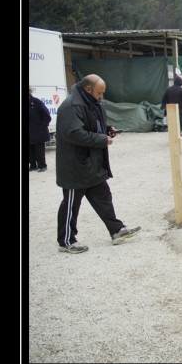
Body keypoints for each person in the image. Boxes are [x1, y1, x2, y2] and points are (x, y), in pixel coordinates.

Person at [55, 74, 141, 254]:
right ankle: (66, 241)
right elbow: (73, 133)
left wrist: (107, 129)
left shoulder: (91, 102)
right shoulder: (72, 106)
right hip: (75, 166)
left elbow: (93, 123)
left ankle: (116, 230)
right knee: (71, 204)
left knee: (104, 196)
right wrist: (101, 139)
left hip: (91, 164)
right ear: (88, 89)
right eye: (100, 93)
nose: (102, 97)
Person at [28, 84, 52, 172]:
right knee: (29, 150)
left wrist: (42, 127)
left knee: (39, 149)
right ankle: (33, 165)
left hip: (38, 131)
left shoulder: (36, 102)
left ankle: (42, 165)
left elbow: (46, 115)